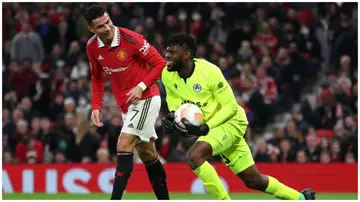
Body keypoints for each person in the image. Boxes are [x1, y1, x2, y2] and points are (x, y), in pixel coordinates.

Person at [161, 33, 316, 200]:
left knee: (194, 157)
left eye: (172, 53)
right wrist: (173, 116)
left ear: (186, 55)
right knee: (253, 180)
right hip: (213, 130)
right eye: (167, 51)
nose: (167, 56)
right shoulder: (167, 74)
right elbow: (174, 100)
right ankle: (301, 198)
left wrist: (205, 127)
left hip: (231, 122)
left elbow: (230, 107)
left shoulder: (210, 72)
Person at [84, 5, 169, 200]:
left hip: (146, 98)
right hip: (126, 105)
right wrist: (96, 106)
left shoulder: (131, 38)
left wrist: (141, 86)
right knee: (148, 155)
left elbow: (160, 64)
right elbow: (97, 77)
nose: (107, 28)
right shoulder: (91, 47)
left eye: (108, 22)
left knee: (123, 145)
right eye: (101, 26)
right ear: (91, 29)